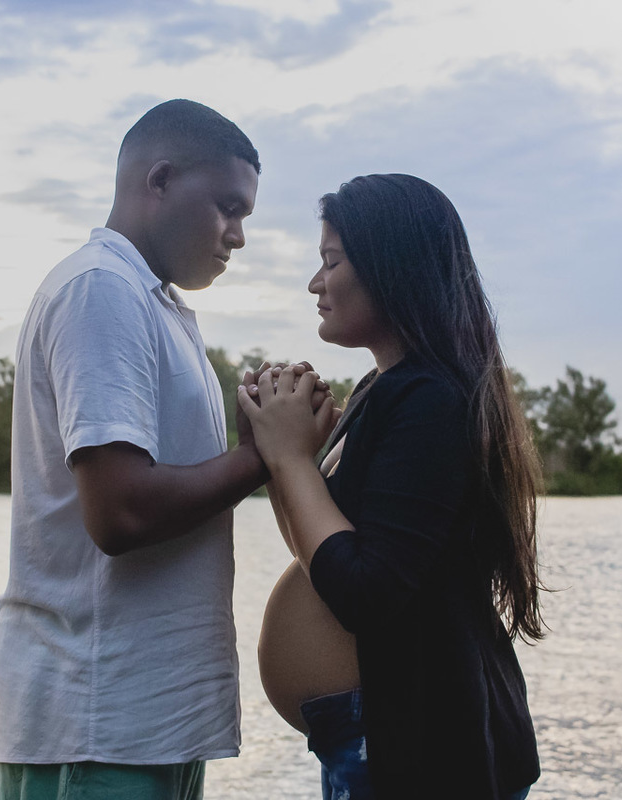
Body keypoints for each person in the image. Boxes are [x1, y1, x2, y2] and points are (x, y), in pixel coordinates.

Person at [0, 99, 279, 800]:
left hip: (146, 721)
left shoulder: (156, 304)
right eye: (227, 207)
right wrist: (263, 454)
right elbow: (120, 513)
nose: (238, 235)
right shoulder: (103, 289)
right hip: (94, 720)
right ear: (160, 181)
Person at [241, 173, 545, 799]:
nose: (315, 283)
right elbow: (317, 556)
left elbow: (367, 594)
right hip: (379, 746)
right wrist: (284, 453)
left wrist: (297, 462)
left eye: (331, 261)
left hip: (428, 754)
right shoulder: (384, 389)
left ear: (389, 267)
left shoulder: (432, 399)